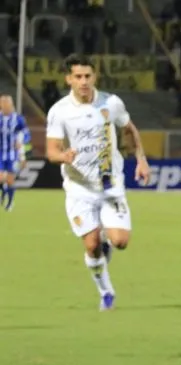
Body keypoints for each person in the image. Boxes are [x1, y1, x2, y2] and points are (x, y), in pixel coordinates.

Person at [45, 54, 151, 311]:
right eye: (78, 77)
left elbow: (129, 129)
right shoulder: (60, 111)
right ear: (68, 79)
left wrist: (141, 159)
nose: (83, 82)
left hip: (110, 184)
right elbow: (51, 150)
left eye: (88, 76)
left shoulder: (111, 103)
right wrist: (63, 156)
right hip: (79, 189)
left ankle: (105, 234)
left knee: (121, 242)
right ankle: (106, 292)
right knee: (91, 246)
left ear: (95, 77)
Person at [0, 94, 29, 212]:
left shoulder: (18, 119)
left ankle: (10, 202)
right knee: (1, 177)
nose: (6, 106)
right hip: (0, 154)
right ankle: (4, 192)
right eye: (3, 103)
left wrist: (22, 143)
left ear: (11, 105)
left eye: (8, 103)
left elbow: (26, 133)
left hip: (13, 155)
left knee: (10, 179)